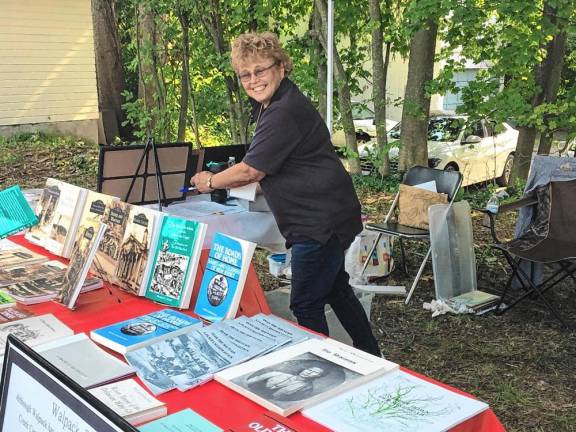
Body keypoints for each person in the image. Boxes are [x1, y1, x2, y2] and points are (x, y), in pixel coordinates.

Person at [191, 32, 380, 356]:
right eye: (245, 75)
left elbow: (251, 170)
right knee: (337, 289)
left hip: (317, 222)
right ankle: (371, 355)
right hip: (331, 214)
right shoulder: (275, 105)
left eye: (260, 70)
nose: (253, 80)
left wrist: (210, 181)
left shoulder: (283, 110)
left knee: (305, 304)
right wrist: (240, 179)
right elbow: (276, 167)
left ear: (280, 66)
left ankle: (324, 368)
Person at [246, 366, 326, 399]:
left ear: (318, 376)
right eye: (309, 369)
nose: (309, 372)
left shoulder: (307, 388)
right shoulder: (277, 373)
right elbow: (253, 380)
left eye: (314, 372)